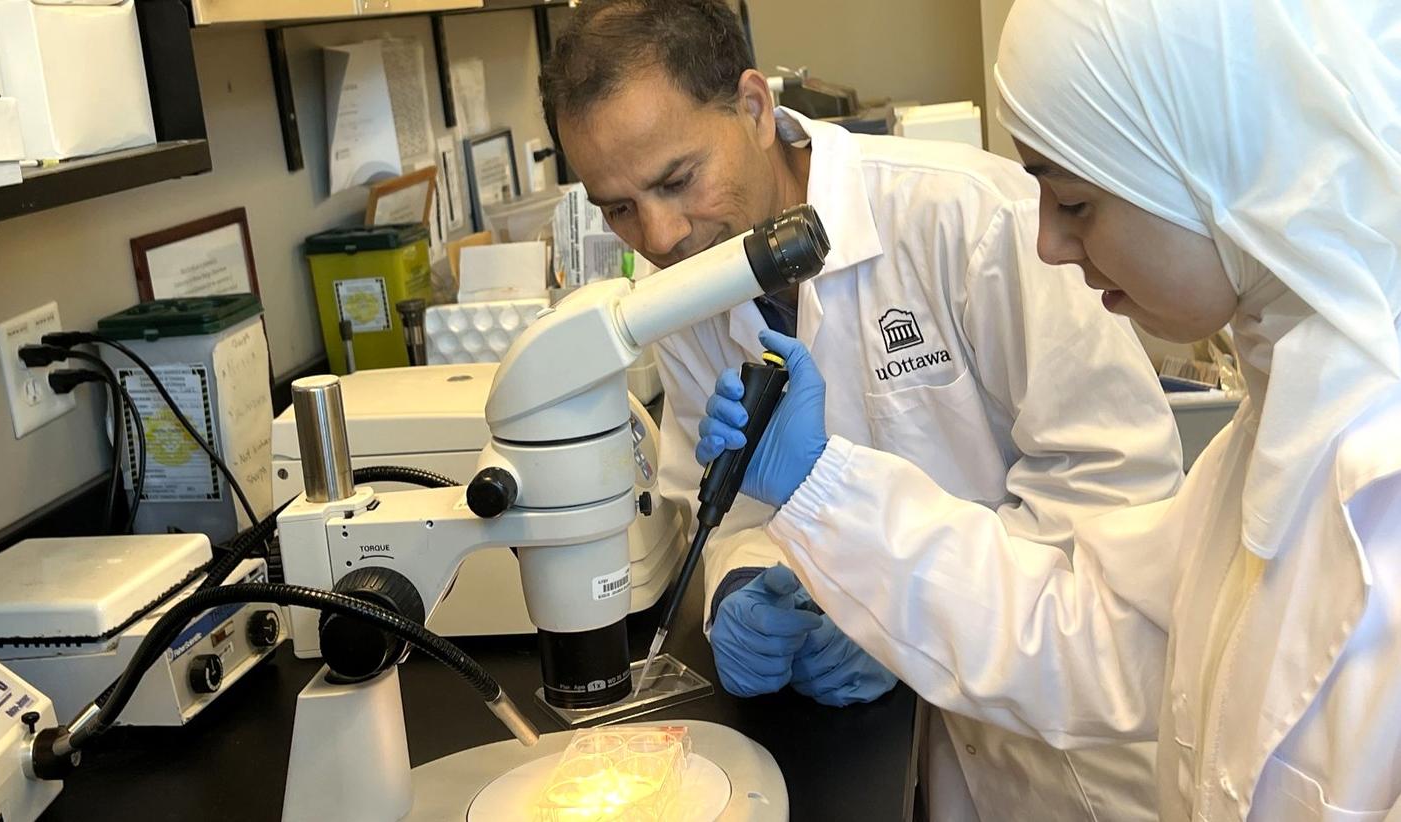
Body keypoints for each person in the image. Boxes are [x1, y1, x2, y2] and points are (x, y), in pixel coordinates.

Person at [696, 0, 1401, 818]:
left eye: (1074, 203)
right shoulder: (1276, 438)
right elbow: (1089, 630)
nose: (1048, 245)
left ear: (1220, 167)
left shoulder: (1373, 480)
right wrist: (823, 491)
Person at [539, 1, 1187, 818]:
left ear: (752, 106)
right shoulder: (684, 293)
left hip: (1068, 758)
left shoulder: (974, 218)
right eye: (618, 207)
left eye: (677, 181)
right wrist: (745, 590)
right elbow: (730, 504)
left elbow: (1115, 514)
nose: (662, 235)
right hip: (874, 749)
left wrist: (893, 608)